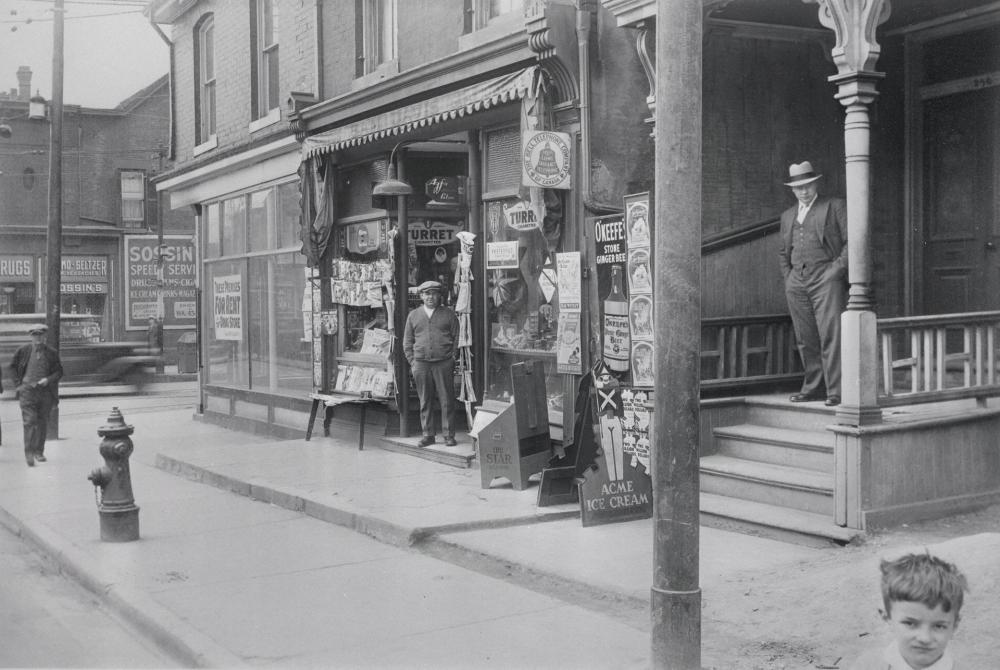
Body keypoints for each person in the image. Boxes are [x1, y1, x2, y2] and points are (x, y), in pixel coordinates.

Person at [778, 161, 848, 407]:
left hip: (826, 279)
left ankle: (836, 390)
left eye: (807, 185)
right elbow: (783, 252)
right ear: (792, 190)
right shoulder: (788, 216)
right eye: (798, 188)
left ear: (815, 183)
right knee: (805, 336)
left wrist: (834, 272)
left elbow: (852, 242)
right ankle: (813, 387)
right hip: (797, 282)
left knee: (831, 333)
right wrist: (789, 278)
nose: (804, 191)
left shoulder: (834, 206)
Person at [849, 552, 968, 670]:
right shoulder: (867, 666)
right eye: (910, 623)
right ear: (887, 617)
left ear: (955, 625)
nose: (925, 638)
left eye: (939, 626)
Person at [403, 280, 459, 447]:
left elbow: (457, 338)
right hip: (421, 363)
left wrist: (452, 358)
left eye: (434, 293)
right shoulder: (413, 315)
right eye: (427, 294)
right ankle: (428, 435)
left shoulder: (448, 314)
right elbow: (407, 341)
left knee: (447, 400)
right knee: (425, 400)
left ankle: (448, 435)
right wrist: (413, 362)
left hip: (443, 363)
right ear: (421, 296)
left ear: (439, 295)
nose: (430, 297)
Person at [10, 323, 63, 467]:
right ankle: (29, 454)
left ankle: (39, 452)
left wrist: (48, 379)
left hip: (45, 393)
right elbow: (12, 367)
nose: (38, 338)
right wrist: (18, 385)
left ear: (45, 336)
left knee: (42, 422)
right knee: (29, 422)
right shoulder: (23, 350)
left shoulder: (51, 352)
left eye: (40, 335)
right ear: (31, 336)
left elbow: (59, 372)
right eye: (35, 335)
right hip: (27, 391)